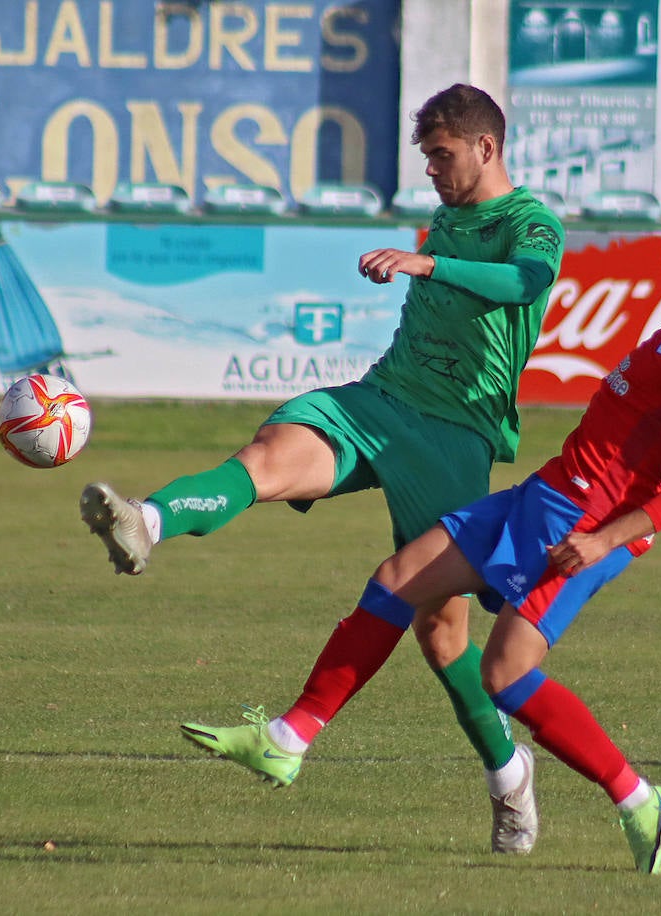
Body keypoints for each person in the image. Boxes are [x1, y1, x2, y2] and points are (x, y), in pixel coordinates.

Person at [183, 183, 661, 874]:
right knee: (398, 580)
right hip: (549, 491)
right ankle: (289, 735)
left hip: (584, 521)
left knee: (505, 673)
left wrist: (605, 539)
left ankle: (640, 799)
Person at [81, 83, 565, 854]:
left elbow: (526, 284)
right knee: (269, 455)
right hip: (379, 399)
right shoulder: (447, 213)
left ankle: (509, 777)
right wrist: (426, 259)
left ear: (487, 147)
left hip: (455, 436)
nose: (433, 171)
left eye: (442, 156)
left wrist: (428, 263)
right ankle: (149, 521)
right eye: (427, 158)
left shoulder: (530, 223)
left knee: (443, 640)